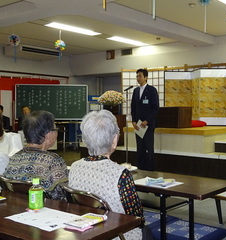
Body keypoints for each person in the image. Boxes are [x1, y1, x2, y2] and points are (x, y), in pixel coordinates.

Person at [68, 110, 145, 240]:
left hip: (86, 232)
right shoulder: (120, 174)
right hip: (117, 234)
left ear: (85, 140)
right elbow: (137, 216)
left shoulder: (74, 167)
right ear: (114, 140)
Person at [3, 110, 68, 200]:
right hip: (46, 209)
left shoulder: (14, 158)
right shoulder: (54, 161)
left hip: (18, 208)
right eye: (56, 129)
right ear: (48, 135)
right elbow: (62, 197)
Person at [131, 68, 159, 171]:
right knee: (140, 148)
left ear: (146, 77)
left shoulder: (152, 90)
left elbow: (155, 108)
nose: (138, 78)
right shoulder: (136, 90)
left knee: (149, 148)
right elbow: (133, 107)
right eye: (137, 76)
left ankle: (150, 169)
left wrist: (147, 121)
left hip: (148, 124)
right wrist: (133, 121)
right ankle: (141, 169)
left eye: (140, 76)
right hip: (138, 125)